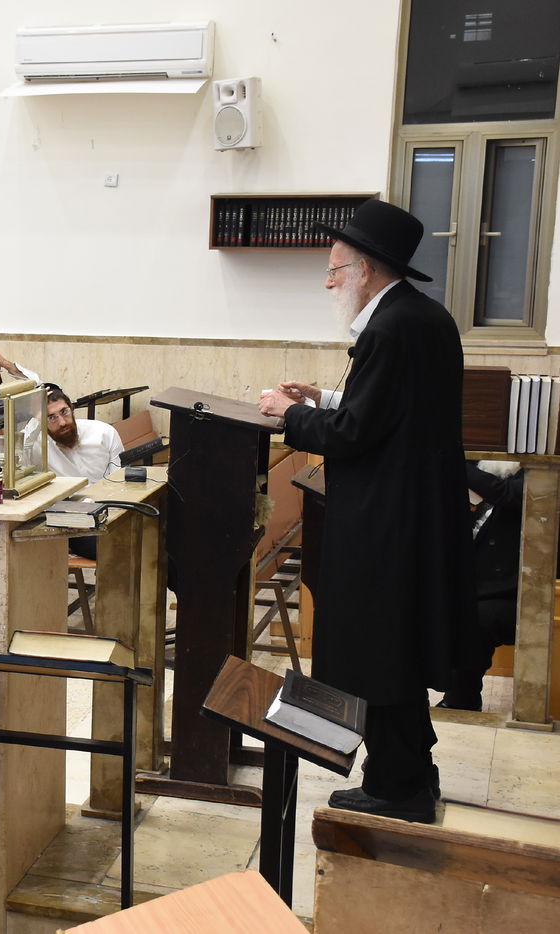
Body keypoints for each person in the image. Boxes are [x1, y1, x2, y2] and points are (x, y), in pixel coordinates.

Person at [258, 199, 473, 823]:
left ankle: (397, 787)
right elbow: (388, 413)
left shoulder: (390, 328)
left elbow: (354, 434)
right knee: (393, 651)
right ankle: (406, 775)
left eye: (335, 269)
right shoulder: (421, 318)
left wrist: (288, 411)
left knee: (380, 653)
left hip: (386, 526)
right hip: (409, 516)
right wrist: (322, 395)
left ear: (369, 269)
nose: (329, 281)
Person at [438, 460, 523, 711]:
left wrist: (456, 462)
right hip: (469, 582)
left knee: (476, 621)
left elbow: (507, 493)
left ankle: (462, 701)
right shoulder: (479, 466)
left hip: (514, 592)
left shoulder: (539, 470)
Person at [34, 387, 124, 560]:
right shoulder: (37, 446)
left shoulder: (104, 432)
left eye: (64, 412)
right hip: (75, 524)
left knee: (155, 543)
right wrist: (34, 421)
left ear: (72, 408)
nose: (62, 422)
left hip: (114, 512)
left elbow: (120, 481)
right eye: (51, 417)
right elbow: (13, 465)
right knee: (118, 551)